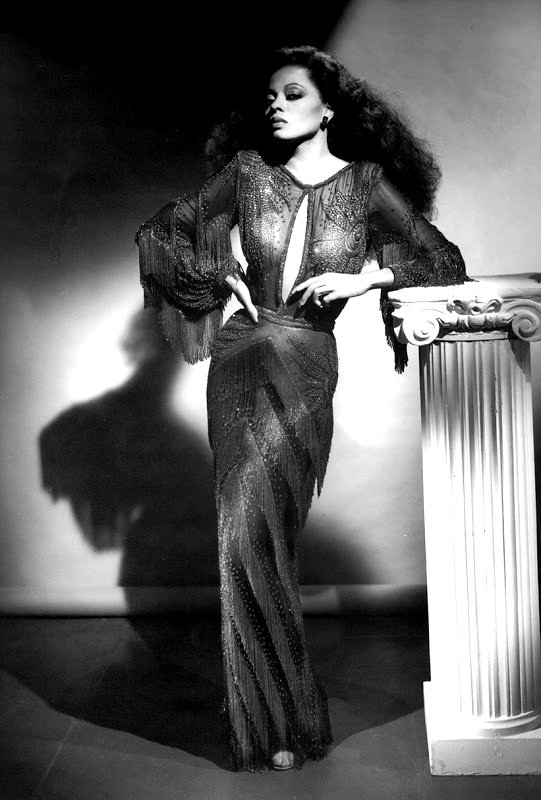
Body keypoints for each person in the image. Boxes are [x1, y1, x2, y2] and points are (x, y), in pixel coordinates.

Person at [135, 45, 470, 772]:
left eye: (293, 94)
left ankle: (281, 711)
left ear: (328, 109)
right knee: (240, 533)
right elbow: (161, 232)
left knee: (272, 537)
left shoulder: (366, 184)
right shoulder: (247, 174)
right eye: (271, 97)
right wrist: (218, 271)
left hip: (307, 367)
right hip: (239, 359)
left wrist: (367, 279)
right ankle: (267, 723)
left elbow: (443, 259)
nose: (277, 106)